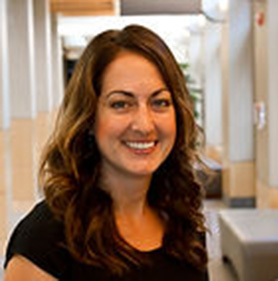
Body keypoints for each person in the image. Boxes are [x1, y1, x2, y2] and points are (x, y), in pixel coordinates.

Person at [4, 24, 209, 280]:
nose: (144, 125)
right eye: (121, 104)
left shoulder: (183, 223)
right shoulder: (44, 242)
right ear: (89, 117)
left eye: (160, 103)